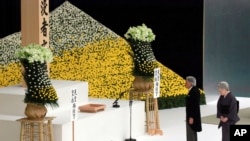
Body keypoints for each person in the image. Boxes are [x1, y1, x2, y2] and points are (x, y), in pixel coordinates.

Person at [185, 76, 202, 141]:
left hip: (192, 116)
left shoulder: (194, 91)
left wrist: (191, 117)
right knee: (192, 132)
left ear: (190, 83)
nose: (185, 83)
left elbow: (194, 105)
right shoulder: (192, 90)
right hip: (190, 115)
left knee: (191, 132)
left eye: (187, 82)